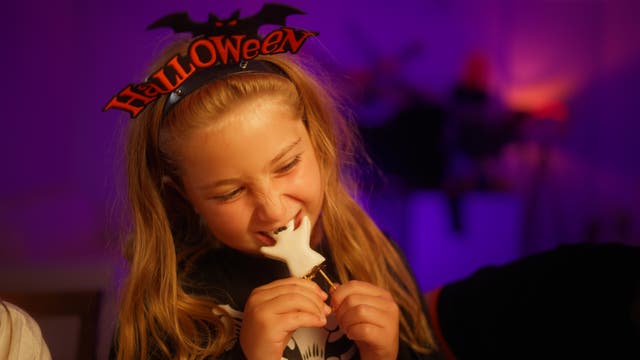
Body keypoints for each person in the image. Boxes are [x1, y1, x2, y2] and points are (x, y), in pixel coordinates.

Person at [106, 4, 441, 360]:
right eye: (230, 192)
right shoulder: (167, 309)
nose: (273, 208)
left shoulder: (375, 259)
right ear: (182, 196)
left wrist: (385, 356)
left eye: (286, 166)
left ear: (319, 145)